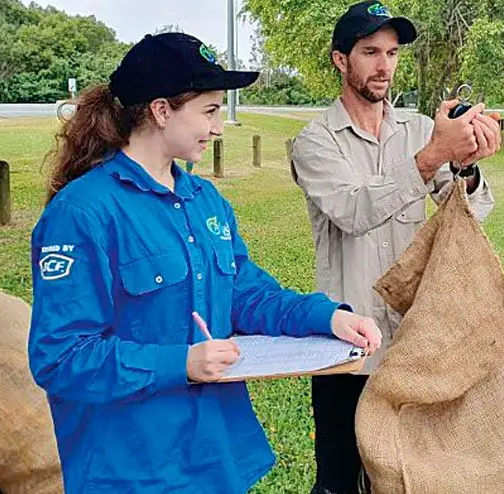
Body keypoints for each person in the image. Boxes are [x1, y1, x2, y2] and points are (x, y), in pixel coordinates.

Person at [27, 32, 382, 494]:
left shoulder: (203, 199)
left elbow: (244, 293)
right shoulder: (82, 214)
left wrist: (328, 317)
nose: (217, 128)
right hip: (133, 470)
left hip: (214, 459)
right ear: (160, 111)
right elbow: (60, 356)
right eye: (210, 112)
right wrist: (182, 363)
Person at [290, 0, 502, 494]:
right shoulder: (316, 141)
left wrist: (466, 165)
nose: (384, 65)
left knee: (413, 474)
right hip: (348, 346)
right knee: (341, 480)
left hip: (414, 339)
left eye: (392, 52)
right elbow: (352, 211)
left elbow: (468, 210)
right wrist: (432, 158)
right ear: (340, 60)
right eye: (370, 52)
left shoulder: (419, 129)